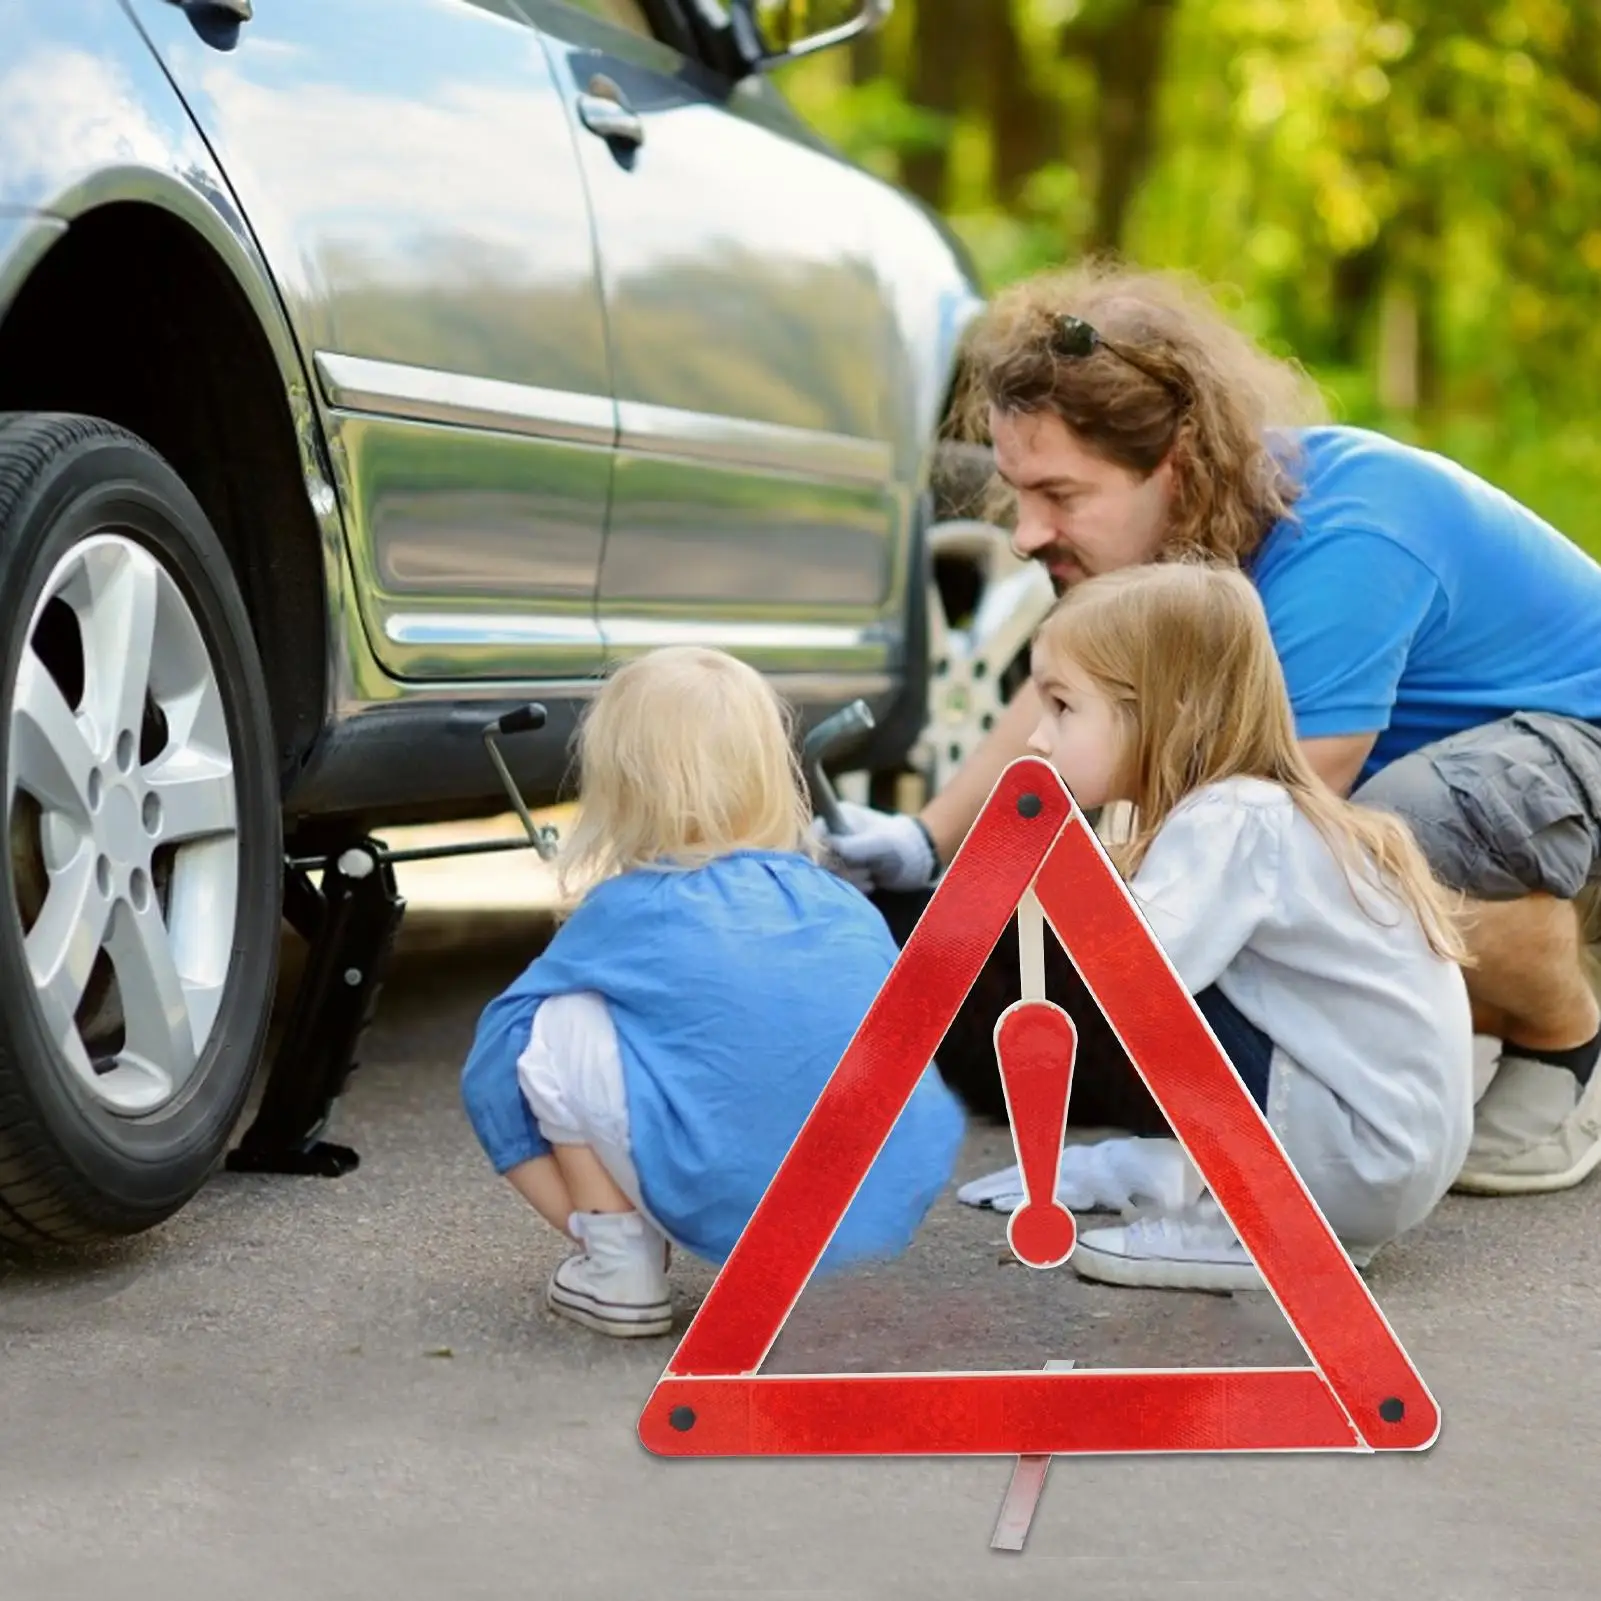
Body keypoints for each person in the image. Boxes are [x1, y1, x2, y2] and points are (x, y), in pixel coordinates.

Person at [818, 259, 1601, 1197]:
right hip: (1506, 795)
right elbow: (1073, 689)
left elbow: (1271, 823)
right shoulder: (1187, 536)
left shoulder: (1343, 544)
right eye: (1017, 491)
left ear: (1175, 464)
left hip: (1570, 757)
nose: (1023, 534)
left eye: (1059, 496)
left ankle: (1566, 1046)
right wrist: (925, 840)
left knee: (1368, 846)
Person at [458, 645, 966, 1338]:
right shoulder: (838, 900)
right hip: (877, 1207)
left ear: (621, 786)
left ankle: (615, 1263)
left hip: (725, 1196)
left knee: (543, 1023)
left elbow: (494, 1063)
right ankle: (806, 1268)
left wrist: (573, 1211)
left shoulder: (631, 905)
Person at [1005, 561, 1475, 1288]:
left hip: (1351, 1160)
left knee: (1144, 985)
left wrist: (1049, 882)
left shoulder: (1231, 817)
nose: (1038, 738)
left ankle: (1242, 1226)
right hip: (1383, 1154)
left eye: (1064, 707)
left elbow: (1129, 980)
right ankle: (1198, 1175)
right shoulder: (1259, 814)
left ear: (1166, 707)